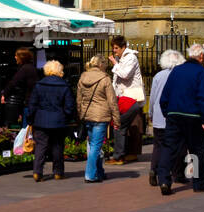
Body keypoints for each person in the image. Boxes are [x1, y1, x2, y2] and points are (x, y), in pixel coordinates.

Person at [156, 43, 204, 194]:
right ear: (201, 56)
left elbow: (165, 95)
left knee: (169, 148)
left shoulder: (176, 71)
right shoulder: (203, 72)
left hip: (174, 115)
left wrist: (167, 112)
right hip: (194, 116)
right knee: (198, 150)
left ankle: (163, 180)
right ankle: (199, 184)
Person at [25, 59, 75, 181]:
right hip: (58, 120)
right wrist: (67, 117)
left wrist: (30, 119)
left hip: (41, 120)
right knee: (57, 146)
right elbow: (69, 106)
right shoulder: (64, 85)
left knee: (41, 146)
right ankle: (58, 172)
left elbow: (32, 104)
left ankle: (37, 172)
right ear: (60, 71)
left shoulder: (39, 85)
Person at [75, 55, 120, 183]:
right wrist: (116, 120)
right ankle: (90, 175)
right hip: (101, 116)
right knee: (96, 145)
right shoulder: (105, 79)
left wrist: (80, 114)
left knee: (94, 144)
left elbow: (79, 99)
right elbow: (112, 101)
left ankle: (99, 172)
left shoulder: (82, 77)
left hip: (88, 115)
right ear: (102, 65)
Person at [148, 49, 187, 188]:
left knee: (158, 146)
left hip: (159, 115)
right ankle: (177, 173)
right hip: (174, 116)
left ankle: (154, 169)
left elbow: (152, 97)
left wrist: (150, 112)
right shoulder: (181, 76)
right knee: (178, 146)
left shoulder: (158, 76)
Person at [107, 35, 145, 164]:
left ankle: (122, 154)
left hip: (131, 98)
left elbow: (125, 74)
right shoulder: (121, 58)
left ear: (124, 47)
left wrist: (114, 64)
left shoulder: (130, 58)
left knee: (125, 125)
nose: (114, 50)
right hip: (122, 97)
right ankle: (123, 153)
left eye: (116, 48)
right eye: (113, 48)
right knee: (124, 127)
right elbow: (116, 80)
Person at [0, 47, 39, 126]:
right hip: (33, 101)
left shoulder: (25, 68)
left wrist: (4, 94)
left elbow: (13, 83)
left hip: (29, 103)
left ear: (22, 57)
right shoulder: (31, 67)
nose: (15, 57)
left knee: (26, 128)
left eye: (16, 55)